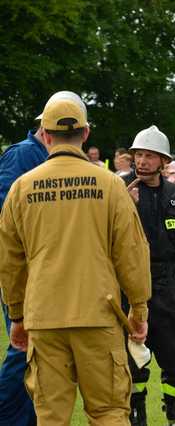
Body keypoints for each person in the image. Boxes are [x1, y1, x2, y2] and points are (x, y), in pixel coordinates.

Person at [0, 92, 151, 424]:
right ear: (85, 133)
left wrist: (16, 315)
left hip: (44, 317)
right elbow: (133, 254)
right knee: (109, 411)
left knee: (50, 416)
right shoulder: (111, 185)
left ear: (46, 135)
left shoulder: (22, 188)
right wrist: (138, 309)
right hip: (99, 315)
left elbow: (9, 262)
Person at [123, 125, 175, 425]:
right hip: (128, 288)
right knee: (130, 362)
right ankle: (134, 415)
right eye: (138, 155)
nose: (142, 161)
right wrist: (124, 208)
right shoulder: (119, 190)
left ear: (163, 160)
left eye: (149, 156)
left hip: (168, 287)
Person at [0, 95, 55, 426]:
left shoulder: (44, 156)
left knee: (39, 354)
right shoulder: (22, 155)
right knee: (24, 349)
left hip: (43, 271)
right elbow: (7, 217)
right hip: (23, 272)